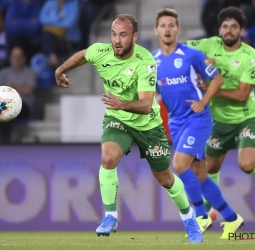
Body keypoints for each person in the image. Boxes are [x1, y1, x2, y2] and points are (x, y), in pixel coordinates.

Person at [55, 14, 203, 243]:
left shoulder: (145, 62)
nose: (116, 40)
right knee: (108, 158)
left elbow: (145, 105)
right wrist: (60, 70)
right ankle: (110, 216)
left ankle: (189, 218)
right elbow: (83, 55)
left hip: (148, 125)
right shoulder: (101, 52)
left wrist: (121, 103)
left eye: (123, 35)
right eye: (114, 34)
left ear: (134, 37)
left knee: (166, 179)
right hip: (118, 120)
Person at [153, 8, 243, 240]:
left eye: (171, 25)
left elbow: (218, 78)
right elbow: (152, 92)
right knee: (199, 174)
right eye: (163, 25)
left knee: (180, 165)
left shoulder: (192, 55)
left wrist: (204, 100)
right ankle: (232, 218)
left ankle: (200, 217)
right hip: (175, 122)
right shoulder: (152, 61)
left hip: (197, 119)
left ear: (178, 29)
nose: (167, 29)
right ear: (156, 30)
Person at [186, 6, 255, 220]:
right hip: (218, 122)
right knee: (210, 167)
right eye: (225, 26)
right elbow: (180, 49)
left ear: (242, 31)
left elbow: (242, 94)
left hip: (244, 119)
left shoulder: (251, 57)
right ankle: (206, 214)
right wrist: (199, 63)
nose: (229, 31)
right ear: (219, 30)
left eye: (234, 27)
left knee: (246, 165)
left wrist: (210, 88)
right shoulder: (208, 45)